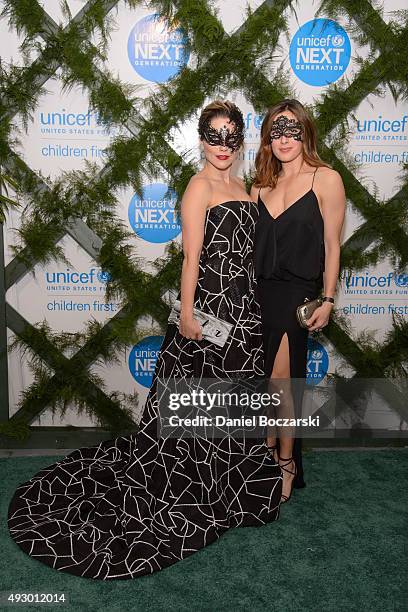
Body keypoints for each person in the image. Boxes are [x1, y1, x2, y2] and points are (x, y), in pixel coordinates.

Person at [7, 100, 282, 581]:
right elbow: (191, 258)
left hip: (245, 311)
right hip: (210, 311)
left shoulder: (246, 187)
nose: (222, 146)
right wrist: (189, 313)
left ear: (240, 140)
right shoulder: (198, 189)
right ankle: (193, 487)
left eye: (230, 136)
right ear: (201, 140)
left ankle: (229, 487)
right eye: (213, 136)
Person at [251, 99, 345, 503]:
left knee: (284, 386)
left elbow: (332, 244)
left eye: (292, 129)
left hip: (296, 297)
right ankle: (267, 452)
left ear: (305, 132)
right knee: (264, 386)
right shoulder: (259, 187)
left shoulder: (325, 179)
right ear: (267, 139)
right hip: (258, 297)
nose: (285, 138)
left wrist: (328, 298)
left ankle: (286, 463)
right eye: (276, 130)